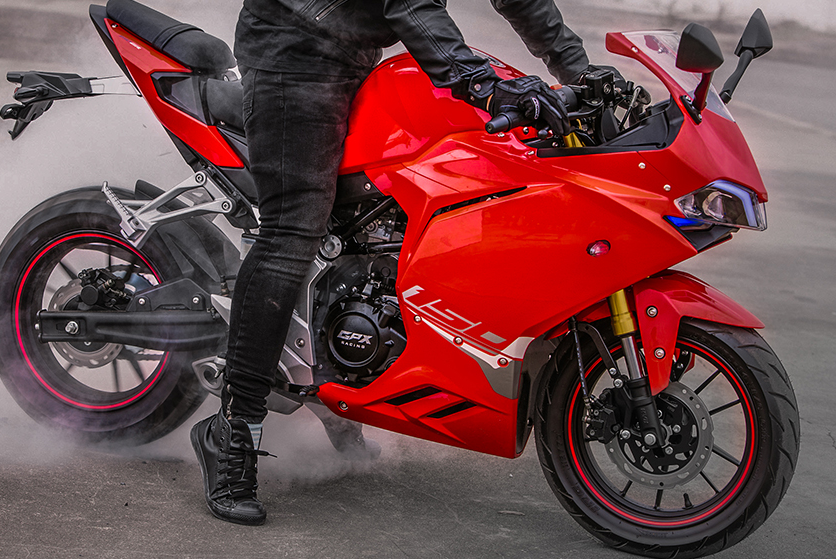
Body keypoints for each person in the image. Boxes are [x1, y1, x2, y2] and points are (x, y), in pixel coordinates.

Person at [191, 0, 610, 526]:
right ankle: (232, 433)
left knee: (391, 210)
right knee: (293, 229)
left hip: (352, 50)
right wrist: (480, 82)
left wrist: (580, 72)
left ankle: (337, 373)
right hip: (292, 57)